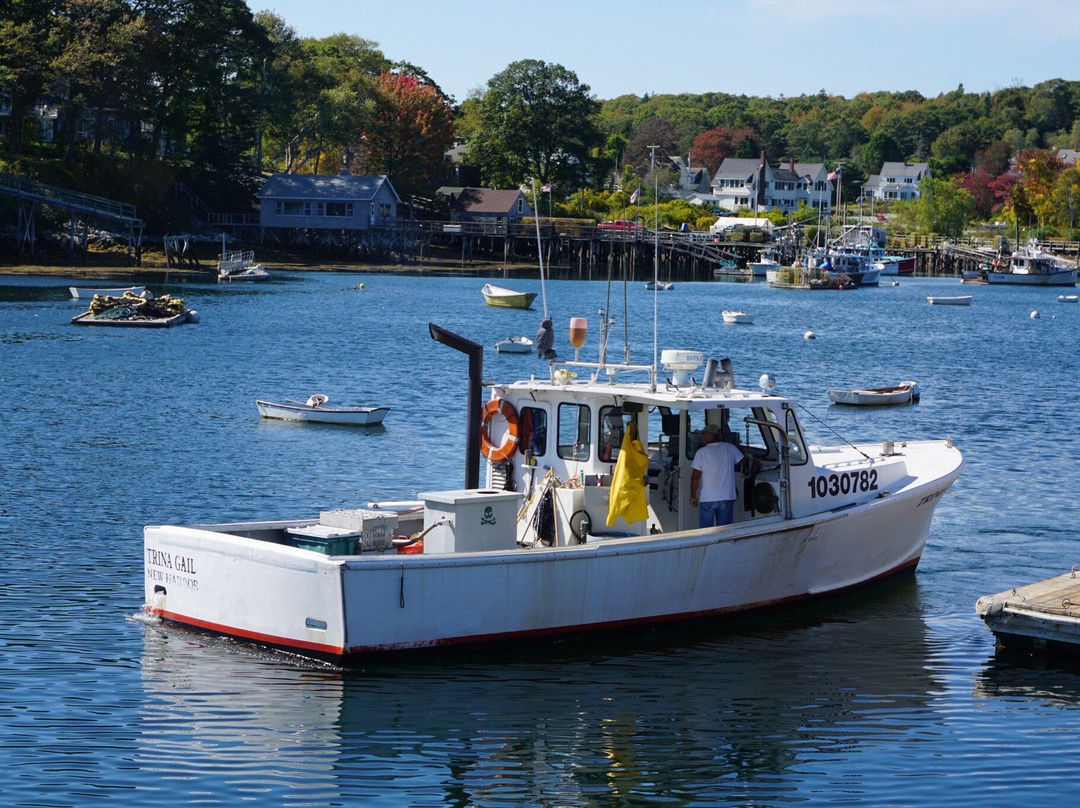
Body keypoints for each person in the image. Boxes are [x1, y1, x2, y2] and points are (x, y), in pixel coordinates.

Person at [690, 423, 744, 528]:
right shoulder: (730, 448)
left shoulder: (702, 452)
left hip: (708, 498)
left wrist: (693, 495)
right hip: (727, 496)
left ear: (710, 435)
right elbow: (743, 461)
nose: (702, 437)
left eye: (704, 434)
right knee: (724, 531)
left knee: (706, 531)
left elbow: (695, 477)